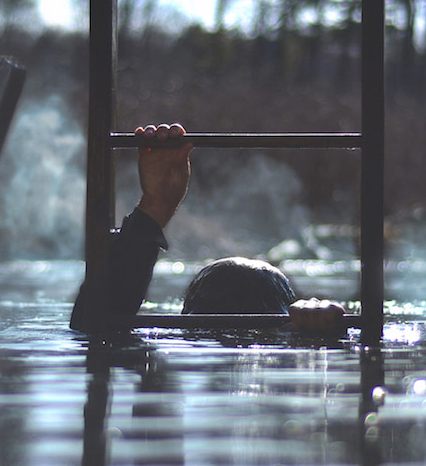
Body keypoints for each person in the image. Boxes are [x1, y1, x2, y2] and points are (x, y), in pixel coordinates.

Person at [70, 123, 346, 333]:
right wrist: (321, 333)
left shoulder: (176, 343)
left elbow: (92, 328)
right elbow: (93, 325)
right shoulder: (295, 346)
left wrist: (153, 210)